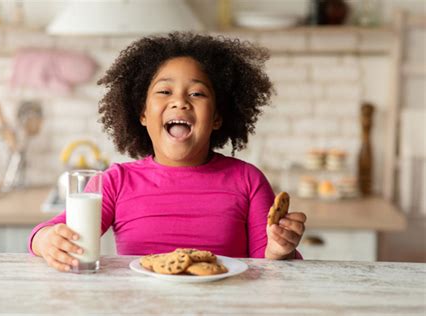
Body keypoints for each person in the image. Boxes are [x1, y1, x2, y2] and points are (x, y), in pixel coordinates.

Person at [29, 32, 307, 272]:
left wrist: (280, 248)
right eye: (164, 91)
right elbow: (47, 232)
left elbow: (270, 268)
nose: (180, 102)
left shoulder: (248, 181)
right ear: (143, 114)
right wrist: (47, 241)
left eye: (197, 94)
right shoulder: (115, 182)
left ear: (217, 118)